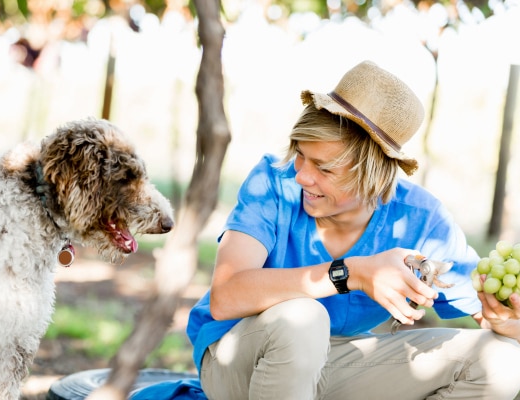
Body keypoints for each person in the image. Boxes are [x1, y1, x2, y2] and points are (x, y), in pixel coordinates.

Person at [186, 60, 520, 399]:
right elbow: (226, 296)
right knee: (304, 318)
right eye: (301, 155)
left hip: (338, 362)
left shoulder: (420, 219)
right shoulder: (273, 182)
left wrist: (509, 323)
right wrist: (352, 273)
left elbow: (484, 306)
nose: (302, 175)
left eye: (324, 169)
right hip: (240, 362)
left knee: (503, 361)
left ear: (374, 174)